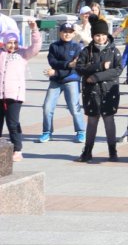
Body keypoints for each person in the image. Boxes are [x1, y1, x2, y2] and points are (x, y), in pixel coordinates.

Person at [75, 18, 123, 163]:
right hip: (91, 92)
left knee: (109, 120)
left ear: (107, 35)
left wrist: (96, 76)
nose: (100, 38)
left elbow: (117, 70)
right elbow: (79, 68)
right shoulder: (86, 51)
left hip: (109, 92)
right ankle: (87, 151)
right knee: (92, 121)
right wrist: (99, 66)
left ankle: (112, 151)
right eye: (97, 35)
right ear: (93, 36)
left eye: (103, 35)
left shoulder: (114, 51)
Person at [0, 19, 41, 161]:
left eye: (15, 42)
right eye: (10, 42)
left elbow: (36, 47)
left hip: (14, 96)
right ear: (4, 42)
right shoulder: (1, 53)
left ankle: (17, 149)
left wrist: (34, 30)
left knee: (13, 123)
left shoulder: (23, 54)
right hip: (0, 95)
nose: (13, 45)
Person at [40, 22, 86, 143]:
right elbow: (53, 62)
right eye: (65, 32)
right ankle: (47, 131)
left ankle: (80, 131)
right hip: (56, 81)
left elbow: (75, 67)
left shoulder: (77, 47)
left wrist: (56, 72)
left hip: (71, 79)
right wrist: (67, 64)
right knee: (47, 107)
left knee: (74, 107)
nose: (67, 34)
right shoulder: (54, 46)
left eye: (70, 32)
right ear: (60, 33)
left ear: (73, 34)